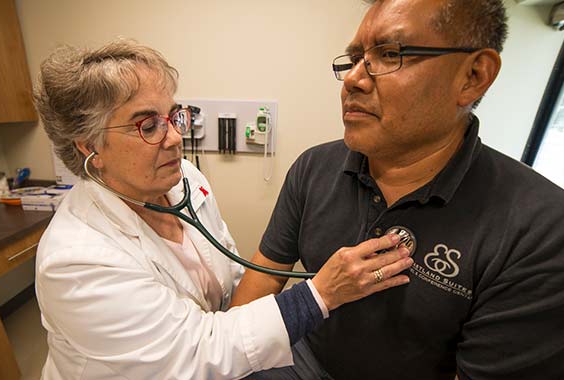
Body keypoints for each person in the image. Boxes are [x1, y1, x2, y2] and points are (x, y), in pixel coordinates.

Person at [33, 39, 414, 380]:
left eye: (173, 116)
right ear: (89, 147)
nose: (174, 137)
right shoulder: (76, 261)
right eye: (148, 125)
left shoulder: (183, 179)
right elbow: (197, 352)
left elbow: (230, 280)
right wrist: (321, 294)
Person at [232, 1, 564, 379]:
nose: (354, 79)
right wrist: (228, 363)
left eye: (390, 54)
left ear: (473, 76)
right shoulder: (313, 167)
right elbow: (265, 277)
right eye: (356, 58)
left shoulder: (540, 230)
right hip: (298, 361)